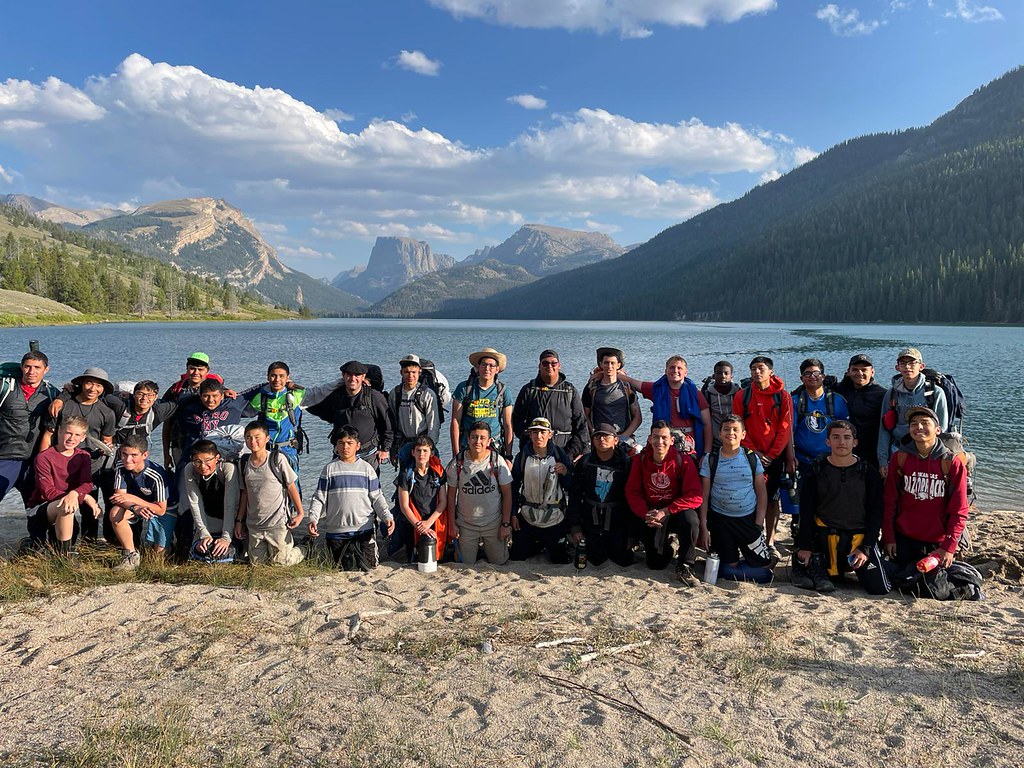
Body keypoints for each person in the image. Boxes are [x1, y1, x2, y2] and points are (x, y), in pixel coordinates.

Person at [792, 420, 887, 594]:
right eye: (835, 437)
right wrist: (805, 545)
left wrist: (866, 547)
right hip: (825, 536)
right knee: (830, 580)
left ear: (855, 442)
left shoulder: (868, 472)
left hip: (857, 539)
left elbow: (876, 513)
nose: (841, 442)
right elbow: (806, 511)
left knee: (878, 588)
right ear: (828, 441)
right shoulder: (816, 469)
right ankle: (806, 561)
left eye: (846, 437)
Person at [882, 406, 969, 570]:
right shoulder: (899, 458)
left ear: (937, 429)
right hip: (904, 538)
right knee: (895, 579)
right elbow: (889, 500)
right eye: (914, 423)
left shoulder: (951, 463)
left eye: (924, 422)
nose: (919, 427)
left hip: (936, 543)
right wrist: (888, 537)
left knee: (934, 588)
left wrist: (949, 547)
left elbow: (959, 509)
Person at [697, 415, 775, 583]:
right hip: (721, 521)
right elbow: (704, 496)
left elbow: (762, 492)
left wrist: (759, 522)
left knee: (765, 570)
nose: (730, 433)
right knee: (728, 565)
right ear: (719, 434)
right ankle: (728, 568)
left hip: (748, 519)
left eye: (735, 430)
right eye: (726, 429)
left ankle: (728, 570)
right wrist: (704, 526)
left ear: (743, 434)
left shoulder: (751, 457)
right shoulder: (711, 459)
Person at [43, 367, 117, 542]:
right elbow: (49, 434)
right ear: (82, 384)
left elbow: (107, 440)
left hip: (92, 465)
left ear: (104, 389)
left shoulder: (107, 413)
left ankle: (88, 543)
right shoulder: (64, 405)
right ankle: (59, 544)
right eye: (89, 383)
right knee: (59, 502)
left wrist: (105, 449)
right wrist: (44, 459)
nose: (93, 388)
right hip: (61, 464)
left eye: (99, 385)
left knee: (88, 506)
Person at [625, 420, 703, 583]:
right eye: (655, 437)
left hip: (675, 510)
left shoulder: (684, 461)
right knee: (655, 563)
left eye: (664, 437)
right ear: (649, 439)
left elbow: (695, 496)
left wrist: (667, 511)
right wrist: (645, 513)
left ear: (671, 440)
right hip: (653, 512)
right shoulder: (640, 460)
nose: (659, 442)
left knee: (691, 520)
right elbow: (632, 492)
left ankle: (686, 564)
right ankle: (671, 546)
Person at [307, 425, 395, 570]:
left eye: (349, 443)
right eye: (341, 443)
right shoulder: (329, 469)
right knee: (338, 569)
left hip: (363, 532)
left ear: (358, 446)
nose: (345, 447)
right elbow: (319, 498)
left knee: (369, 568)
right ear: (336, 446)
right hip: (336, 533)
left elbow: (377, 497)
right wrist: (313, 518)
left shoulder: (367, 469)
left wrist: (387, 516)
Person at [733, 356, 792, 554]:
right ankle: (750, 537)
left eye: (761, 368)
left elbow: (785, 427)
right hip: (749, 454)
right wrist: (754, 452)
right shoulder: (743, 395)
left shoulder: (783, 396)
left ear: (770, 372)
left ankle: (771, 540)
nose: (757, 372)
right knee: (750, 496)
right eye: (753, 369)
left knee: (773, 499)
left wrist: (773, 454)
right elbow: (737, 427)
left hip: (774, 456)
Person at [24, 416, 100, 553]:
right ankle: (63, 559)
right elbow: (48, 492)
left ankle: (63, 558)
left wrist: (74, 493)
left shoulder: (84, 456)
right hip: (41, 507)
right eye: (68, 433)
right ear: (59, 431)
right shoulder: (44, 457)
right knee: (67, 507)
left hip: (67, 504)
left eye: (77, 435)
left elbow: (86, 484)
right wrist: (85, 497)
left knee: (68, 517)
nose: (72, 438)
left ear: (83, 438)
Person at [235, 421, 305, 566]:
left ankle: (304, 548)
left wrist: (300, 513)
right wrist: (239, 521)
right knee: (258, 566)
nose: (253, 441)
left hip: (277, 522)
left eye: (257, 437)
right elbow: (245, 493)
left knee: (280, 564)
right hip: (254, 524)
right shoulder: (244, 462)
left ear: (267, 438)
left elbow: (291, 486)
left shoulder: (276, 458)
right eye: (248, 437)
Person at [303, 361, 392, 473]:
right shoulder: (336, 396)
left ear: (363, 377)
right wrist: (296, 394)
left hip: (367, 455)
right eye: (349, 375)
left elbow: (387, 424)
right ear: (343, 376)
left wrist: (385, 448)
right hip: (341, 454)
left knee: (369, 490)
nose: (352, 378)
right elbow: (318, 408)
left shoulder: (374, 397)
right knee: (338, 488)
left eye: (357, 375)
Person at [445, 421, 513, 566]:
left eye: (482, 438)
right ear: (468, 439)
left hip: (493, 523)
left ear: (489, 441)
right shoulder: (457, 463)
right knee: (466, 563)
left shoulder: (497, 461)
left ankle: (488, 548)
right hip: (466, 524)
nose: (478, 441)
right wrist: (452, 524)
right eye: (474, 437)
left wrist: (505, 525)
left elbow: (507, 494)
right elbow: (450, 496)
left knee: (499, 561)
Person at [568, 423, 635, 567]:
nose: (601, 439)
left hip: (617, 526)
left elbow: (632, 500)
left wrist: (632, 534)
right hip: (591, 525)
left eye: (606, 436)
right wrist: (575, 528)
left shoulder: (626, 464)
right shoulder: (585, 463)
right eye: (597, 436)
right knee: (594, 559)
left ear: (615, 440)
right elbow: (574, 496)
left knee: (624, 560)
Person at [619, 356, 711, 460]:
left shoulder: (696, 394)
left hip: (689, 445)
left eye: (679, 368)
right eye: (672, 367)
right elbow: (633, 382)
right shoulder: (657, 390)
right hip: (663, 442)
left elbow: (707, 425)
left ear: (685, 372)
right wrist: (615, 373)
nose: (675, 371)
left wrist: (706, 453)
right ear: (665, 371)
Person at [509, 417, 572, 563]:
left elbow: (570, 486)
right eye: (535, 432)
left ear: (550, 434)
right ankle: (538, 545)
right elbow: (513, 486)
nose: (539, 436)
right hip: (528, 516)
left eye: (543, 432)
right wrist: (513, 514)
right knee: (517, 557)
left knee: (560, 560)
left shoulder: (559, 455)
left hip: (554, 518)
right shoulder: (522, 457)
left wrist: (565, 472)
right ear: (529, 434)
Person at [877, 347, 949, 474]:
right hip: (898, 451)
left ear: (921, 366)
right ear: (897, 367)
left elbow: (941, 429)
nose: (907, 367)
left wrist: (940, 460)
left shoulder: (935, 393)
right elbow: (884, 430)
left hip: (927, 453)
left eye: (912, 363)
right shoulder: (891, 394)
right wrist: (883, 461)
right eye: (903, 363)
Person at [106, 435, 172, 570]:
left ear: (145, 455)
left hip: (164, 507)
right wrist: (134, 507)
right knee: (115, 514)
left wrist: (135, 500)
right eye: (124, 454)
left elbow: (161, 509)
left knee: (157, 560)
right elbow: (119, 497)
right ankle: (130, 555)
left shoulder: (156, 475)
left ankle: (170, 545)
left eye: (134, 455)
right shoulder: (120, 465)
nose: (128, 459)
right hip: (137, 506)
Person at [0, 348, 58, 504]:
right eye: (27, 366)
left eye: (37, 367)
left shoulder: (51, 393)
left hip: (34, 461)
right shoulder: (5, 387)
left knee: (39, 508)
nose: (31, 371)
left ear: (46, 370)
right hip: (5, 458)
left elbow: (78, 400)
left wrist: (65, 394)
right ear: (21, 367)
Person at [512, 349, 589, 460]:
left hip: (565, 451)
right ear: (539, 366)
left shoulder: (570, 391)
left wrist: (574, 452)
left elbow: (581, 424)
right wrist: (528, 439)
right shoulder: (529, 389)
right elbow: (517, 419)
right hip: (534, 452)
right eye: (545, 363)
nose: (549, 366)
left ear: (559, 365)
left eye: (553, 363)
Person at [159, 351, 226, 469]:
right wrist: (166, 454)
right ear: (187, 369)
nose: (196, 373)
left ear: (207, 371)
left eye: (200, 369)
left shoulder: (217, 390)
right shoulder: (175, 391)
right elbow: (167, 423)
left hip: (211, 447)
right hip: (180, 445)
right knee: (184, 480)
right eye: (192, 368)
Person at [238, 362, 306, 475]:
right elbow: (239, 410)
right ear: (268, 377)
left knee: (292, 486)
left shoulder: (297, 394)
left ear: (288, 378)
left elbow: (320, 393)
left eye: (281, 376)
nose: (277, 379)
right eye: (273, 375)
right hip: (265, 451)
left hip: (289, 450)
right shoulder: (261, 397)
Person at [179, 439, 239, 564]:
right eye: (198, 461)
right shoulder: (190, 469)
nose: (203, 466)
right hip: (209, 517)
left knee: (226, 553)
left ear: (217, 458)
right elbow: (195, 502)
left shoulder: (227, 468)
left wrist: (226, 537)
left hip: (231, 518)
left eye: (207, 461)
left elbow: (230, 504)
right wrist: (204, 533)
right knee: (201, 550)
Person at [787, 358, 850, 473]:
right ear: (802, 378)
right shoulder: (794, 402)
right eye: (808, 373)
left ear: (823, 376)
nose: (812, 376)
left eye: (816, 373)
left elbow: (846, 431)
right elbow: (788, 433)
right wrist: (790, 458)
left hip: (832, 460)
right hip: (803, 461)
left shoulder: (837, 400)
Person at [451, 348, 514, 459]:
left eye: (491, 366)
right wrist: (456, 453)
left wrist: (508, 456)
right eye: (483, 365)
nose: (487, 368)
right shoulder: (464, 389)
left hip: (494, 446)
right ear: (477, 367)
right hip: (467, 445)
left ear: (497, 369)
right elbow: (455, 421)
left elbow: (508, 425)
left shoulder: (503, 392)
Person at [395, 434, 448, 564]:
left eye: (425, 450)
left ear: (431, 453)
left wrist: (428, 523)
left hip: (433, 520)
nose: (421, 454)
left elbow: (443, 502)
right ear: (413, 452)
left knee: (437, 558)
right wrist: (420, 526)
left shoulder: (438, 472)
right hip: (412, 521)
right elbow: (404, 506)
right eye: (418, 450)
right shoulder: (406, 474)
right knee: (415, 559)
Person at [581, 347, 641, 450]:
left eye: (612, 363)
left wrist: (624, 437)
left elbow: (637, 417)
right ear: (601, 364)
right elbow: (585, 415)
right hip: (600, 439)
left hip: (623, 437)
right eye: (606, 363)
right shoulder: (591, 388)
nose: (609, 366)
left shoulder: (627, 388)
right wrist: (593, 433)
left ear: (618, 365)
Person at [833, 354, 886, 469]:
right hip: (844, 449)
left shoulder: (882, 394)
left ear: (872, 372)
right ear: (848, 372)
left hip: (871, 452)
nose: (860, 373)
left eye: (864, 370)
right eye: (855, 370)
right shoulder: (840, 390)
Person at [389, 354, 441, 460]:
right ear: (401, 373)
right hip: (403, 444)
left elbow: (433, 423)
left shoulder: (427, 394)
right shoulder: (395, 393)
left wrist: (431, 447)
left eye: (414, 372)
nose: (410, 375)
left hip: (423, 445)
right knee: (404, 475)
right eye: (407, 372)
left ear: (419, 372)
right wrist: (392, 448)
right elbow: (392, 421)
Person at [701, 360, 740, 451]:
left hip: (734, 438)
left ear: (731, 376)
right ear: (714, 376)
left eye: (726, 373)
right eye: (719, 373)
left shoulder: (739, 393)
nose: (722, 376)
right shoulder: (707, 394)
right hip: (715, 439)